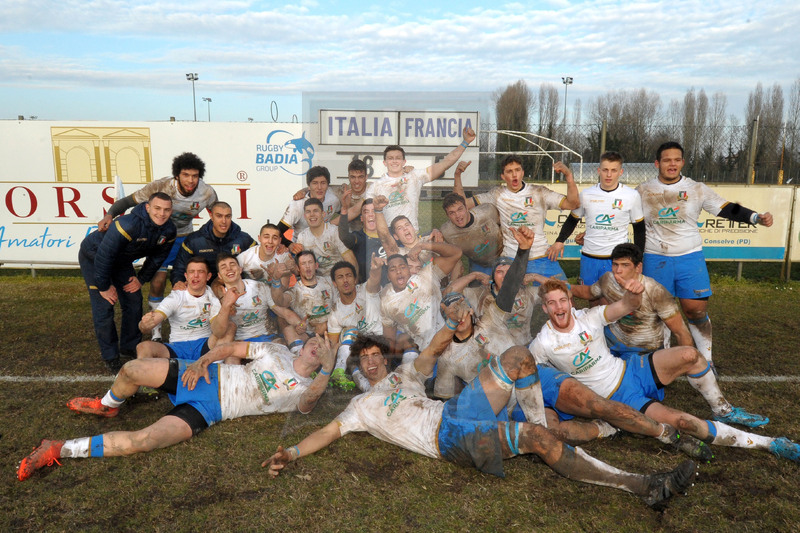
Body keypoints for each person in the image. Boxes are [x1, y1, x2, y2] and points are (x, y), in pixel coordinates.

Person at [263, 331, 697, 511]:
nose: (374, 362)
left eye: (378, 355)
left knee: (518, 357)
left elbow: (430, 354)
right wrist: (293, 451)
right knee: (536, 440)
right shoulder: (358, 409)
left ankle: (536, 423)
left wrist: (441, 336)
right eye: (366, 358)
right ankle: (643, 486)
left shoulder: (402, 375)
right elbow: (326, 431)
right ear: (359, 366)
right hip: (448, 438)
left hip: (456, 411)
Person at [529, 278, 800, 463]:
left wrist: (633, 293)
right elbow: (526, 372)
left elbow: (626, 306)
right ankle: (771, 443)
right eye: (551, 303)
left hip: (632, 371)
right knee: (684, 423)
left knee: (689, 354)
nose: (558, 307)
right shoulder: (543, 343)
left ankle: (722, 408)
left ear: (570, 301)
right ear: (544, 308)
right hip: (620, 400)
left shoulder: (588, 317)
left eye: (562, 300)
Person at [16, 336, 334, 481]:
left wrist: (327, 371)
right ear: (304, 343)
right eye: (316, 339)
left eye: (324, 348)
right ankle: (106, 405)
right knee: (132, 370)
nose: (317, 344)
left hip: (210, 411)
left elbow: (307, 405)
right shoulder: (277, 351)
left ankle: (58, 447)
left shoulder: (308, 390)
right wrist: (202, 361)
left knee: (141, 442)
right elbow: (233, 348)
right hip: (207, 376)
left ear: (322, 361)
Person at [570, 243, 768, 428]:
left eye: (624, 265)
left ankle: (723, 410)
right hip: (612, 352)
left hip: (644, 354)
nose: (618, 270)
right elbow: (588, 291)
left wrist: (679, 365)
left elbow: (680, 332)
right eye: (615, 264)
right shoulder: (607, 280)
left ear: (638, 267)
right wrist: (563, 288)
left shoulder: (655, 291)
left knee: (644, 390)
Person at [637, 141, 773, 367]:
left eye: (676, 160)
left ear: (682, 162)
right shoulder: (642, 190)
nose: (672, 164)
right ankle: (661, 362)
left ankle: (706, 361)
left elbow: (727, 208)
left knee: (695, 310)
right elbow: (622, 215)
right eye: (667, 160)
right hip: (654, 258)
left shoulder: (696, 188)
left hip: (690, 258)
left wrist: (755, 217)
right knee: (658, 312)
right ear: (657, 163)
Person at [97, 152, 218, 343]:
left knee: (194, 280)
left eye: (195, 176)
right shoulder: (161, 187)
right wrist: (110, 214)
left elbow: (217, 213)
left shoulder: (207, 192)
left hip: (185, 238)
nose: (191, 180)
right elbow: (127, 202)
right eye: (186, 175)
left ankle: (198, 323)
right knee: (158, 280)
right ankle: (156, 331)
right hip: (161, 238)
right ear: (177, 175)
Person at [79, 192, 177, 373]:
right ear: (148, 208)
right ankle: (111, 356)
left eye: (166, 210)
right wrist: (104, 286)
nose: (161, 214)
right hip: (94, 257)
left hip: (120, 261)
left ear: (171, 211)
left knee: (133, 301)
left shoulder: (169, 230)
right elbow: (104, 256)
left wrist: (141, 279)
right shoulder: (128, 224)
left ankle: (129, 347)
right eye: (157, 208)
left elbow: (157, 258)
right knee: (104, 306)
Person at [456, 155, 579, 278]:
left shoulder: (539, 192)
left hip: (541, 256)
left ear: (522, 173)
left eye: (517, 170)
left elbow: (573, 204)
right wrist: (457, 176)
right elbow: (461, 205)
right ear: (503, 177)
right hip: (511, 258)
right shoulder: (497, 194)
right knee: (509, 295)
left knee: (563, 291)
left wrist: (568, 176)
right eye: (509, 171)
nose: (514, 175)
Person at [547, 151, 645, 285]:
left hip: (615, 259)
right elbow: (572, 219)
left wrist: (638, 259)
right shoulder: (587, 194)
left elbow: (639, 229)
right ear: (599, 170)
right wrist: (559, 240)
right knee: (590, 297)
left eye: (613, 170)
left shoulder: (631, 195)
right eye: (605, 170)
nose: (609, 175)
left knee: (614, 299)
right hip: (589, 257)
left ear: (620, 172)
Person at [366, 127, 476, 232]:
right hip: (388, 238)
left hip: (412, 236)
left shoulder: (414, 176)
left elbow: (444, 164)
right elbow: (366, 213)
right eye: (390, 158)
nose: (394, 161)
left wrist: (465, 143)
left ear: (404, 161)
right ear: (384, 162)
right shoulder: (376, 186)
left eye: (398, 158)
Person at [380, 240, 462, 357]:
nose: (398, 271)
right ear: (388, 277)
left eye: (402, 267)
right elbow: (389, 339)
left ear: (408, 270)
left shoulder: (426, 276)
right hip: (428, 353)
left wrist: (423, 245)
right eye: (392, 269)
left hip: (452, 339)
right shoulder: (387, 303)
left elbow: (456, 253)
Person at [136, 257, 221, 360]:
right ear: (186, 276)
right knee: (143, 347)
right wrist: (144, 324)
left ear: (208, 276)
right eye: (191, 272)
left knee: (228, 330)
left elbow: (219, 328)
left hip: (205, 345)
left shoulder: (213, 296)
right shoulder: (176, 297)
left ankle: (224, 369)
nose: (195, 275)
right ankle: (145, 374)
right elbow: (150, 323)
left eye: (200, 272)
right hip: (177, 346)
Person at [211, 253, 304, 346]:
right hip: (240, 342)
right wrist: (226, 305)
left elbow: (283, 312)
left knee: (282, 343)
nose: (229, 269)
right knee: (231, 356)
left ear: (240, 269)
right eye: (223, 267)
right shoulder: (218, 298)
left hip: (267, 337)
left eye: (232, 264)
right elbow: (217, 332)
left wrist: (300, 324)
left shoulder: (259, 287)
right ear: (219, 276)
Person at [326, 258, 383, 390]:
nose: (345, 280)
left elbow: (374, 281)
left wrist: (376, 270)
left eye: (348, 276)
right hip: (356, 348)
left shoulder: (366, 290)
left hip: (379, 343)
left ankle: (352, 369)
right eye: (340, 277)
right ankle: (339, 372)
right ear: (334, 283)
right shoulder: (335, 311)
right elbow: (334, 344)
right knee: (351, 331)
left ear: (355, 279)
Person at [171, 201, 255, 290]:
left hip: (237, 289)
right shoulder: (194, 240)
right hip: (204, 291)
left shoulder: (244, 239)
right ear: (211, 216)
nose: (224, 221)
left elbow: (258, 262)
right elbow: (179, 269)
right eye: (219, 216)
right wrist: (178, 281)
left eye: (228, 216)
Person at [440, 162, 503, 275]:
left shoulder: (487, 211)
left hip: (502, 258)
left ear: (467, 208)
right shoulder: (446, 232)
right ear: (448, 216)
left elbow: (507, 223)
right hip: (478, 264)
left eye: (460, 210)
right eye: (452, 213)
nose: (458, 216)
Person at [271, 250, 337, 345]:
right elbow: (280, 301)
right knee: (289, 331)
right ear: (298, 268)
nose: (307, 266)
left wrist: (326, 325)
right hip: (309, 336)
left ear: (316, 265)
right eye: (303, 263)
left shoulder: (329, 282)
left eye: (310, 262)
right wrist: (276, 279)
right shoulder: (295, 291)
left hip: (333, 331)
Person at [289, 198, 358, 278]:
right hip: (318, 282)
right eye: (308, 212)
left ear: (323, 214)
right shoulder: (302, 236)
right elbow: (302, 268)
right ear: (304, 216)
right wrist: (292, 263)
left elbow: (351, 260)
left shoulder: (335, 232)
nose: (312, 215)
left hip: (338, 279)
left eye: (315, 211)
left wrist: (353, 284)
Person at [278, 166, 341, 246]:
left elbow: (345, 214)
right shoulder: (297, 206)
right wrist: (290, 245)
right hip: (301, 250)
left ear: (328, 185)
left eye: (323, 183)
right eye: (315, 183)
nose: (319, 188)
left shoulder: (333, 199)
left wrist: (330, 225)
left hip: (325, 248)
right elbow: (277, 232)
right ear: (308, 186)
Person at [337, 193, 385, 283]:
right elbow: (344, 237)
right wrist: (344, 210)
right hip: (368, 289)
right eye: (366, 212)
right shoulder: (358, 237)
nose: (371, 215)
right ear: (362, 218)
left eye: (374, 211)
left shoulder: (390, 233)